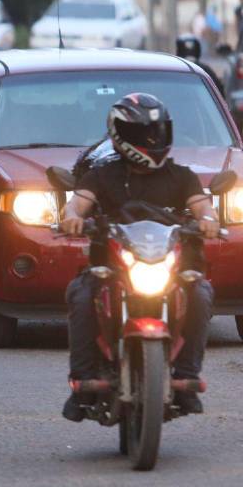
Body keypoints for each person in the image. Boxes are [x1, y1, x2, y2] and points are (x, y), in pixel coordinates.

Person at [60, 93, 218, 422]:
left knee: (201, 292)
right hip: (112, 266)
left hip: (169, 265)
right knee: (81, 293)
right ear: (121, 135)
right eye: (143, 133)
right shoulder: (102, 175)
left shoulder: (181, 175)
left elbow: (202, 205)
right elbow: (78, 203)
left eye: (157, 132)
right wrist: (72, 217)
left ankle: (187, 378)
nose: (152, 140)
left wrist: (209, 220)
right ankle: (83, 383)